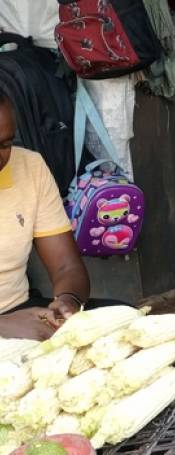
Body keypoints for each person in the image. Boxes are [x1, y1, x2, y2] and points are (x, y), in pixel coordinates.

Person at [0, 92, 90, 340]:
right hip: (14, 323)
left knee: (124, 315)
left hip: (23, 311)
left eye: (5, 144)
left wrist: (67, 302)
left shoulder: (30, 167)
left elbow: (65, 266)